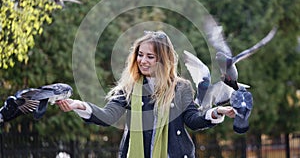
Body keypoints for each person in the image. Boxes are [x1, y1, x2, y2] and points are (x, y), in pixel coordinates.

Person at [56, 30, 236, 158]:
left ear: (163, 61)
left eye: (150, 57)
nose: (143, 60)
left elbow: (193, 120)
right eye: (140, 55)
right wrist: (79, 105)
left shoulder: (181, 88)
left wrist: (216, 112)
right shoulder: (129, 87)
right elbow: (107, 116)